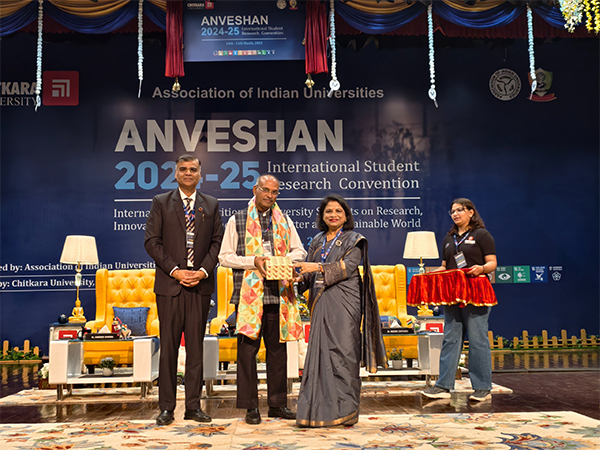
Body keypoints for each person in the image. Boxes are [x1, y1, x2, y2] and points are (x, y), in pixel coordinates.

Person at [218, 174, 307, 425]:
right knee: (247, 353)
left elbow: (300, 250)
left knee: (278, 352)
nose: (270, 195)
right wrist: (252, 261)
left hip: (278, 294)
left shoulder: (284, 220)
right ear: (255, 189)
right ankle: (250, 408)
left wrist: (284, 261)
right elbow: (224, 257)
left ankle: (278, 405)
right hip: (248, 297)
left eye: (275, 192)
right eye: (266, 190)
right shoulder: (237, 220)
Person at [293, 194, 387, 427]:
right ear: (322, 216)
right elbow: (308, 273)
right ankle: (316, 412)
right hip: (321, 302)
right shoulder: (316, 240)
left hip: (345, 303)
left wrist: (315, 267)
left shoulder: (355, 240)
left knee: (344, 354)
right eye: (328, 212)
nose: (333, 215)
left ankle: (346, 411)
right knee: (319, 357)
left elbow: (347, 267)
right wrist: (296, 278)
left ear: (346, 216)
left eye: (338, 211)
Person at [145, 155, 224, 426]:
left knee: (195, 350)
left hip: (200, 287)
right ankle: (166, 407)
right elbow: (152, 242)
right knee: (168, 349)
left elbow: (217, 243)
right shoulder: (161, 202)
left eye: (193, 169)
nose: (188, 173)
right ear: (175, 174)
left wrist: (202, 271)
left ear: (200, 174)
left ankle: (193, 406)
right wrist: (175, 271)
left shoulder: (211, 205)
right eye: (183, 169)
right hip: (170, 287)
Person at [421, 198, 497, 402]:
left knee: (477, 339)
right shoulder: (449, 238)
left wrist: (481, 269)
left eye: (459, 210)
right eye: (452, 211)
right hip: (452, 293)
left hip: (476, 293)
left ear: (471, 212)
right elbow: (445, 266)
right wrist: (428, 274)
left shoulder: (482, 234)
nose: (455, 214)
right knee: (450, 338)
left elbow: (492, 263)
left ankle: (482, 387)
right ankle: (443, 385)